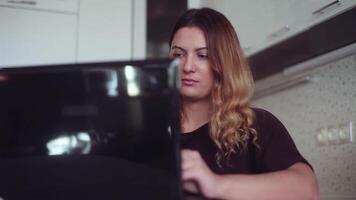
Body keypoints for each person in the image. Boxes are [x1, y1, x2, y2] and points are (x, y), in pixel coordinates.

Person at [168, 8, 319, 200]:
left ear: (224, 62)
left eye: (203, 55)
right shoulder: (150, 132)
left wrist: (215, 184)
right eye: (178, 55)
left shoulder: (256, 125)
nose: (187, 67)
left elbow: (308, 190)